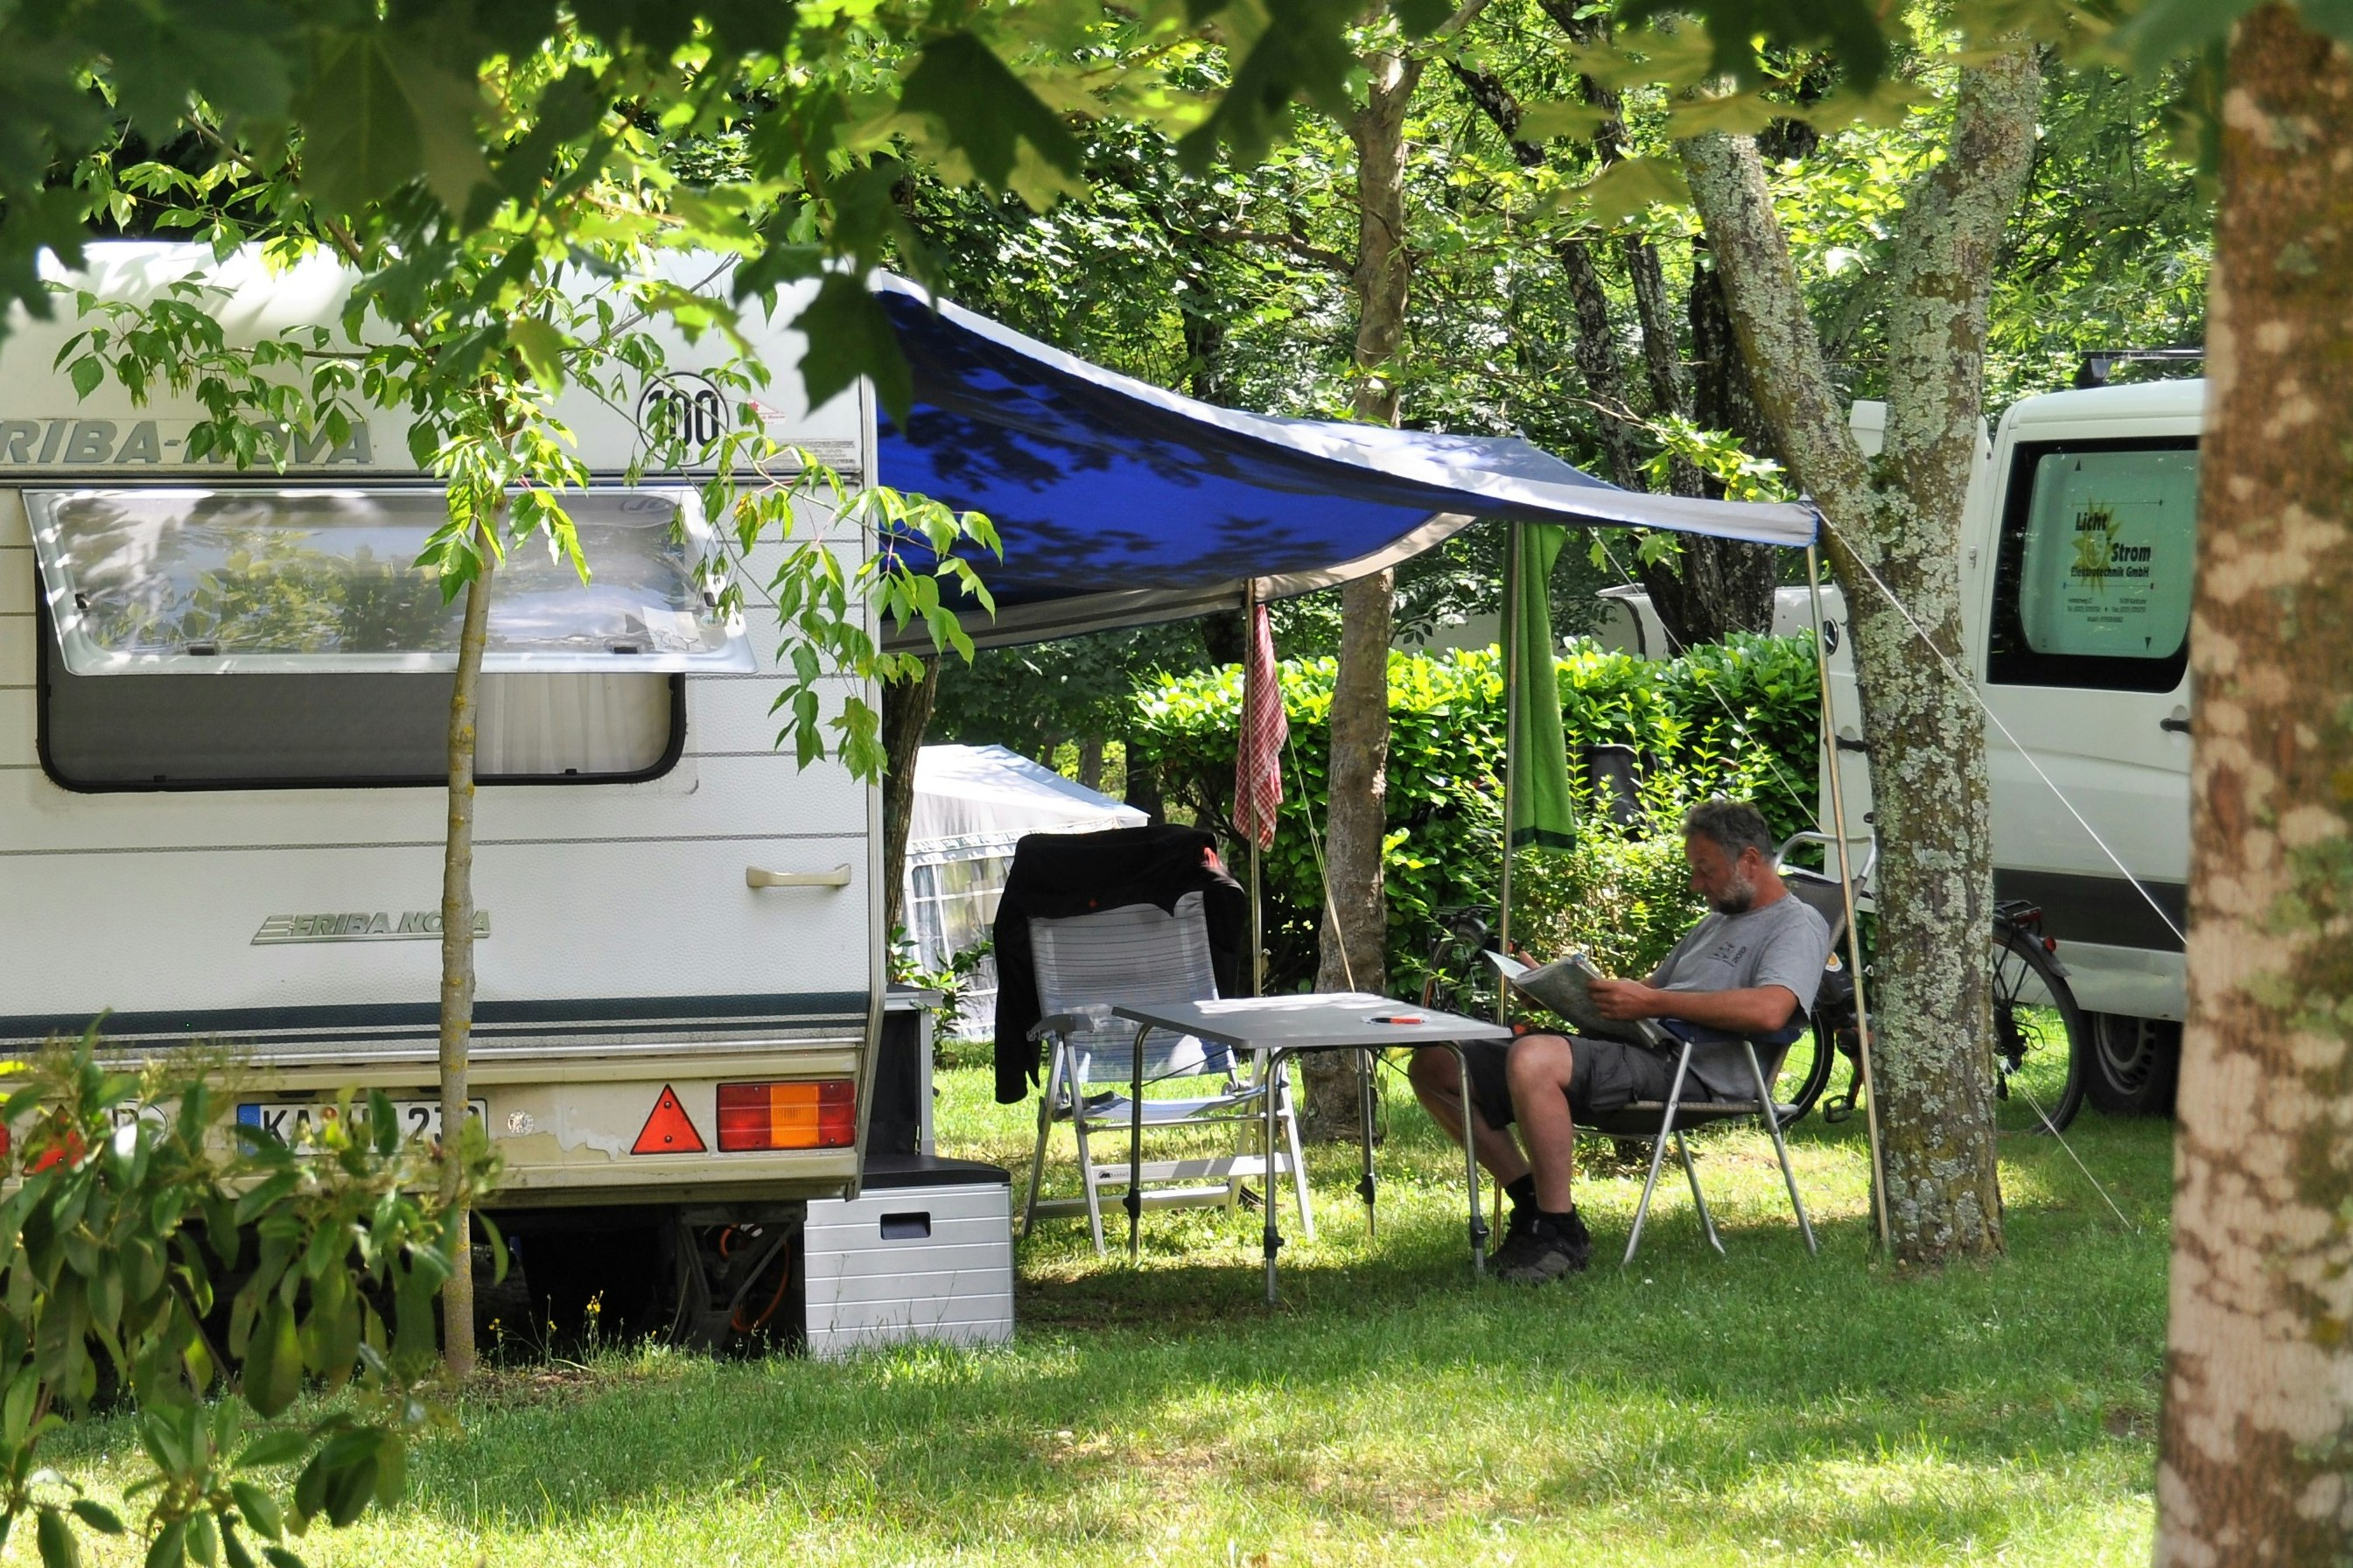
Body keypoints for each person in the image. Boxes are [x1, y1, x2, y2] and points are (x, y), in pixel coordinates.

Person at [1408, 798, 1833, 1284]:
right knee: (1439, 1065)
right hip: (1644, 1049)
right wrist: (1558, 990)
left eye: (1705, 870)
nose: (1698, 885)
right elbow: (1651, 993)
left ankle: (1559, 1231)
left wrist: (1655, 1006)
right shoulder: (1715, 922)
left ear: (1751, 860)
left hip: (1695, 1072)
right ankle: (1532, 1206)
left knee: (1534, 1059)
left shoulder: (1796, 924)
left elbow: (1770, 1009)